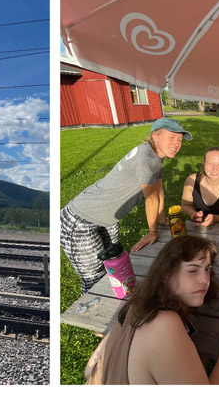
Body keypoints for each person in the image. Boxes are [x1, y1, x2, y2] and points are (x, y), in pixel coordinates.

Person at [84, 234, 219, 384]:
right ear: (166, 275)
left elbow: (89, 369)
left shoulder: (137, 303)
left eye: (207, 269)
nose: (205, 279)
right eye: (193, 270)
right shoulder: (164, 324)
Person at [60, 117, 190, 293]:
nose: (176, 143)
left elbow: (158, 189)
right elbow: (151, 198)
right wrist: (152, 231)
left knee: (116, 267)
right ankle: (94, 313)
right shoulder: (146, 159)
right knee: (94, 278)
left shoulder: (155, 156)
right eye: (171, 137)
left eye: (180, 139)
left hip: (107, 219)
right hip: (80, 220)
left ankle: (118, 307)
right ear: (155, 136)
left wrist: (161, 219)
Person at [180, 147, 219, 226]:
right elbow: (186, 205)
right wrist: (195, 215)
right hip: (198, 229)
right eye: (210, 163)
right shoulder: (191, 180)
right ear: (204, 163)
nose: (215, 168)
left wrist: (216, 218)